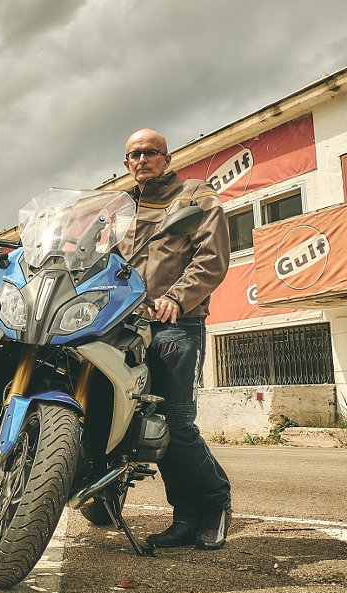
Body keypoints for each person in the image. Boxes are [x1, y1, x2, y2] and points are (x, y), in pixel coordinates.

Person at [117, 128, 232, 550]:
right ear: (126, 163)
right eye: (134, 154)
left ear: (167, 158)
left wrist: (176, 298)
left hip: (174, 324)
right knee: (144, 427)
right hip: (122, 326)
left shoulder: (195, 194)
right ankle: (184, 517)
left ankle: (215, 503)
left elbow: (212, 258)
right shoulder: (120, 208)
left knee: (174, 422)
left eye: (151, 152)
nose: (142, 159)